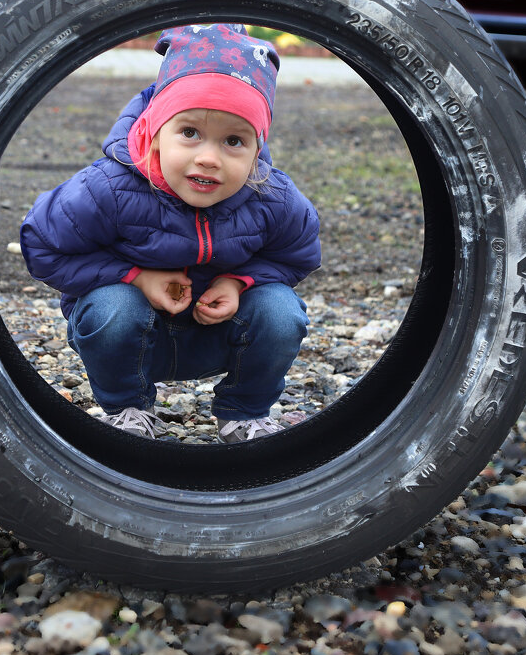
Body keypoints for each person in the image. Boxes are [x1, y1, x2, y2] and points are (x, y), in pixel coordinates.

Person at [19, 24, 321, 442]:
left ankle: (245, 413)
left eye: (234, 140)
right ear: (155, 131)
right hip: (133, 335)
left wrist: (237, 282)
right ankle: (128, 409)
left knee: (281, 310)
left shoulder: (272, 197)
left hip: (221, 332)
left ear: (257, 149)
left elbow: (297, 254)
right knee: (113, 308)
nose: (209, 158)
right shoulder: (111, 187)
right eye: (190, 133)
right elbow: (42, 242)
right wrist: (136, 277)